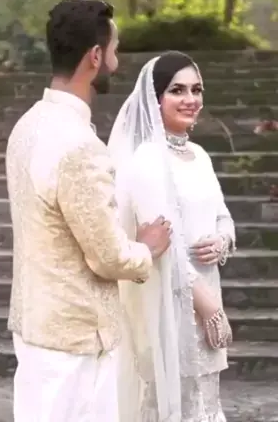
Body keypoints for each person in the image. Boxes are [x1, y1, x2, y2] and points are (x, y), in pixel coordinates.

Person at [5, 0, 172, 422]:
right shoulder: (79, 146)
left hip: (34, 324)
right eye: (114, 49)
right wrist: (147, 248)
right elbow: (107, 256)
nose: (117, 60)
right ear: (95, 56)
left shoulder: (26, 126)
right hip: (76, 341)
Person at [108, 51, 236, 422]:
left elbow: (223, 216)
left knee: (206, 402)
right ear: (155, 97)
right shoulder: (148, 159)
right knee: (176, 404)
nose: (190, 99)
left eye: (197, 89)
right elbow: (164, 246)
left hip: (208, 291)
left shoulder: (199, 155)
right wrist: (209, 308)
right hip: (171, 300)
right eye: (177, 90)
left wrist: (222, 241)